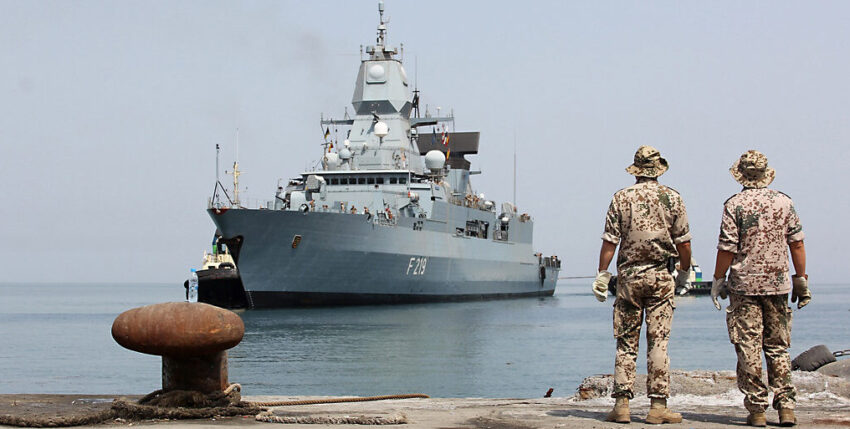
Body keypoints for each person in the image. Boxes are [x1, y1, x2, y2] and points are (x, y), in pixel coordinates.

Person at [592, 146, 692, 424]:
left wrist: (602, 273)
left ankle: (622, 406)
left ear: (636, 170)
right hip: (661, 277)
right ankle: (658, 407)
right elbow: (684, 243)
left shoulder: (621, 198)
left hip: (629, 279)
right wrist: (684, 272)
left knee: (626, 342)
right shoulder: (672, 198)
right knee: (658, 342)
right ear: (658, 170)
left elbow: (610, 242)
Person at [711, 150, 809, 427]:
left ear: (741, 175)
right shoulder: (784, 202)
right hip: (777, 284)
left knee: (749, 346)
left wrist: (718, 279)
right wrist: (801, 278)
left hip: (744, 285)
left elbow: (727, 248)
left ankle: (757, 410)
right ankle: (786, 406)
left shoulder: (734, 205)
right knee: (778, 347)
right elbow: (797, 243)